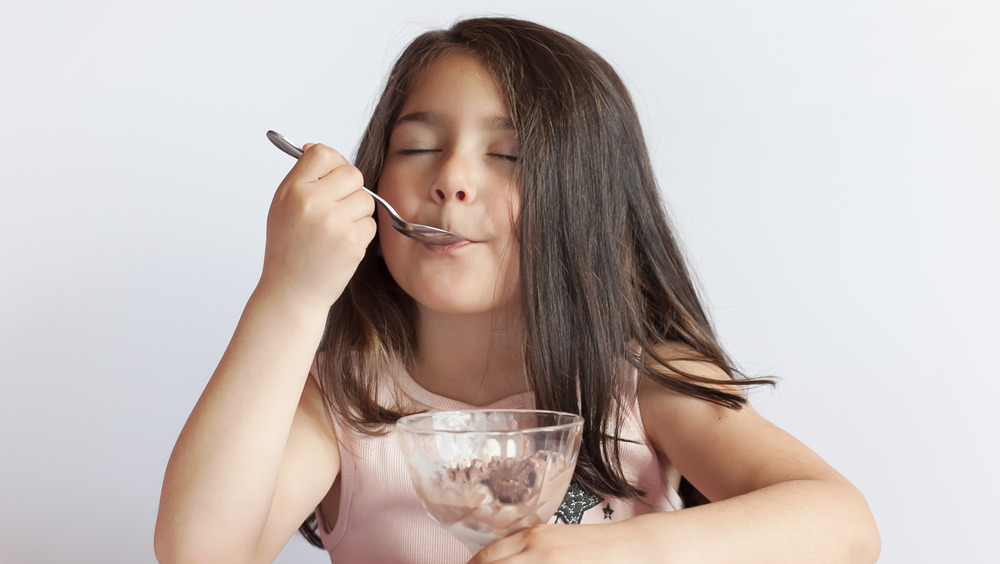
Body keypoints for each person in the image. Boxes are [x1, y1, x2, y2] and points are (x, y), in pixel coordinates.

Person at [154, 17, 880, 564]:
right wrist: (289, 294)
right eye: (416, 147)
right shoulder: (344, 397)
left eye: (507, 155)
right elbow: (199, 551)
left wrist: (611, 554)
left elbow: (843, 522)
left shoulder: (638, 378)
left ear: (588, 206)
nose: (452, 178)